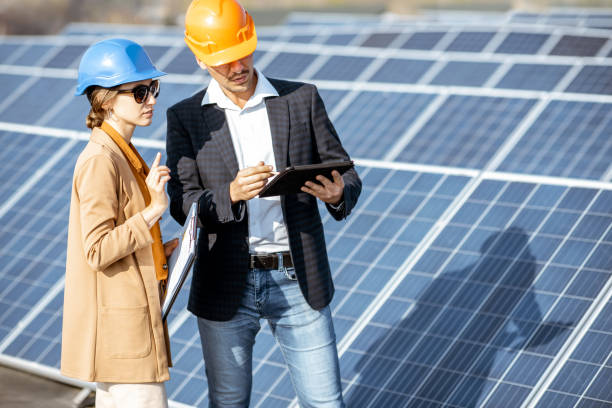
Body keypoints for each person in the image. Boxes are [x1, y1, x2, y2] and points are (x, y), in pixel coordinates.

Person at [165, 0, 362, 406]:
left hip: (299, 279)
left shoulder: (301, 99)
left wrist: (338, 192)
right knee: (229, 402)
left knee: (326, 402)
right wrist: (231, 194)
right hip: (225, 284)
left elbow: (347, 173)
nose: (238, 68)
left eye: (244, 54)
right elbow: (182, 204)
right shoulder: (185, 117)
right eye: (225, 62)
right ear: (201, 59)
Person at [61, 38, 178, 408]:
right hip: (123, 338)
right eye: (140, 92)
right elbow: (96, 250)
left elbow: (124, 237)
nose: (152, 100)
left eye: (153, 88)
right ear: (106, 99)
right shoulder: (101, 159)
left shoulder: (121, 153)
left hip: (131, 329)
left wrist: (163, 248)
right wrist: (153, 209)